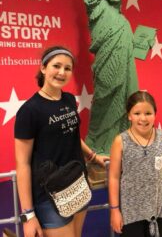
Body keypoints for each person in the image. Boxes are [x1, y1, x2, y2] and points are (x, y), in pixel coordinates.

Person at [14, 45, 109, 237]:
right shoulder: (29, 111)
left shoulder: (68, 99)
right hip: (50, 194)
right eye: (56, 66)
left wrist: (92, 156)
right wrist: (28, 215)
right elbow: (22, 164)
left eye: (67, 68)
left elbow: (73, 135)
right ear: (43, 68)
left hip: (78, 183)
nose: (61, 72)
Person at [83, 0, 138, 155]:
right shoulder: (100, 9)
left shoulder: (125, 21)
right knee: (103, 106)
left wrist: (143, 45)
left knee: (123, 107)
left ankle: (117, 143)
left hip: (125, 72)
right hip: (106, 70)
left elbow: (130, 51)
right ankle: (97, 144)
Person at [109, 91, 162, 237]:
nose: (143, 118)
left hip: (159, 207)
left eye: (148, 113)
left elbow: (160, 170)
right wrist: (114, 210)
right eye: (137, 113)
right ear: (129, 115)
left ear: (155, 114)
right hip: (131, 210)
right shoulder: (120, 141)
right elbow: (114, 177)